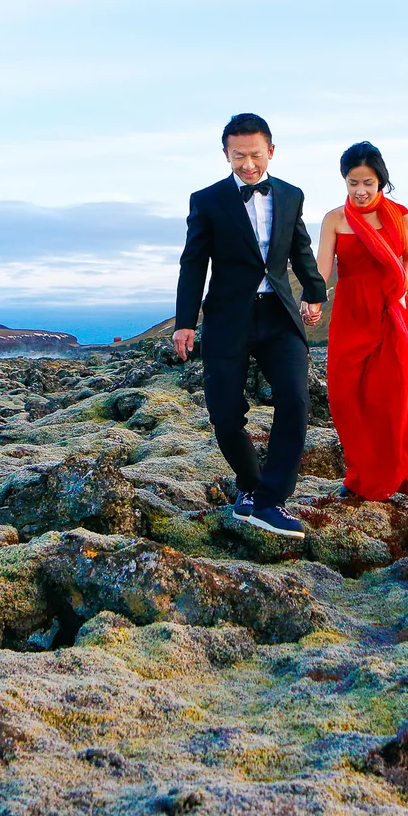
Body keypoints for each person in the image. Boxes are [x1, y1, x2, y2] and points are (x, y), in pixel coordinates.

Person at [173, 113, 327, 538]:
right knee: (224, 412)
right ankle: (249, 487)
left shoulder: (292, 195)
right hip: (227, 317)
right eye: (238, 156)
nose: (247, 164)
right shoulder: (206, 200)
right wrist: (185, 322)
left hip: (279, 314)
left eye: (255, 155)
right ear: (226, 154)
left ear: (271, 152)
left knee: (295, 400)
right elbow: (193, 264)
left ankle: (272, 499)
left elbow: (300, 250)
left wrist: (314, 292)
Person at [312, 141, 408, 504]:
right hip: (350, 315)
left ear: (381, 181)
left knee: (387, 399)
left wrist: (403, 287)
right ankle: (359, 471)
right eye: (352, 183)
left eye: (367, 182)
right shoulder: (334, 219)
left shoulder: (399, 215)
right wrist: (311, 299)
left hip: (389, 313)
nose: (360, 191)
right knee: (343, 398)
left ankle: (387, 478)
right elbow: (323, 272)